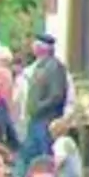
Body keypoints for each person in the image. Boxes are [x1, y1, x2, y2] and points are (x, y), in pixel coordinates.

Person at [21, 34, 68, 162]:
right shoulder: (39, 66)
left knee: (44, 155)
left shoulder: (54, 67)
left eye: (36, 45)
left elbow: (57, 95)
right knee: (29, 155)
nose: (32, 47)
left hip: (46, 120)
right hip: (35, 119)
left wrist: (38, 107)